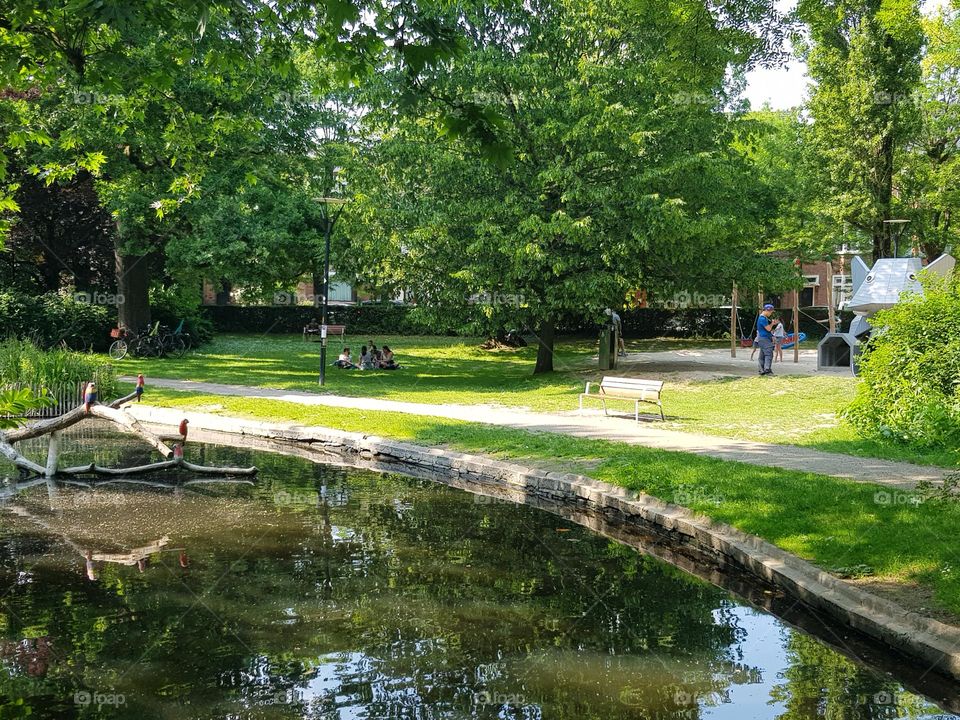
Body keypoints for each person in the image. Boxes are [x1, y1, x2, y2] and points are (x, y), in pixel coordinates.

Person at [755, 303, 776, 376]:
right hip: (764, 339)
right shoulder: (762, 318)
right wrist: (772, 324)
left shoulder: (763, 318)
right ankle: (767, 370)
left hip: (762, 339)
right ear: (767, 310)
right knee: (768, 354)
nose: (771, 313)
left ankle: (761, 370)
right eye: (771, 312)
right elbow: (768, 329)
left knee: (762, 355)